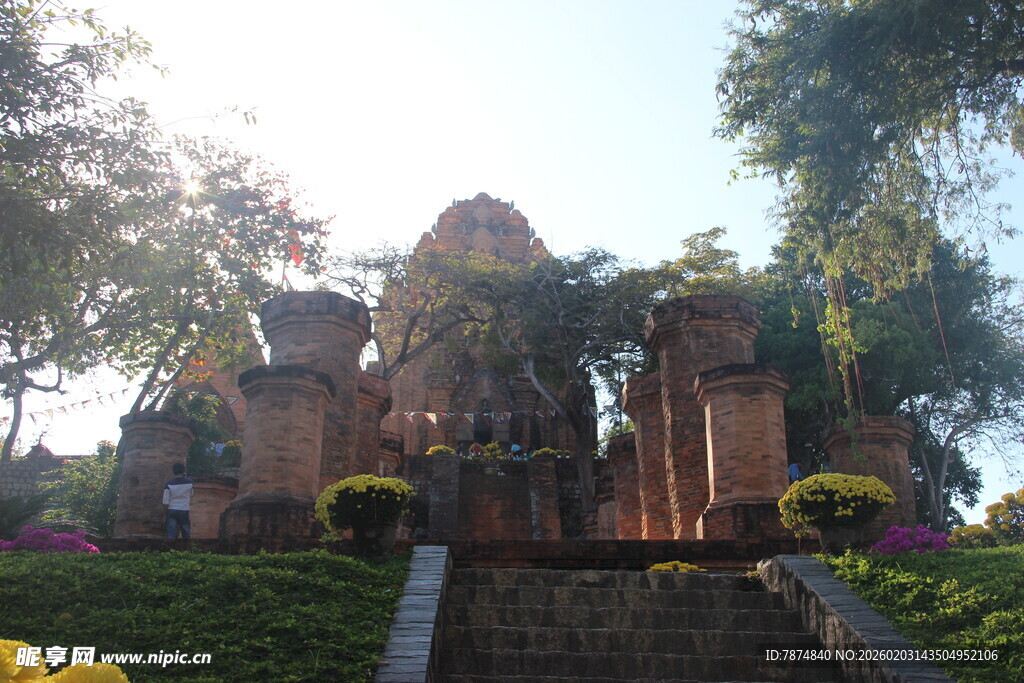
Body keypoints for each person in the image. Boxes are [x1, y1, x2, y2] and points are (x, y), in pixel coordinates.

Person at [163, 463, 194, 540]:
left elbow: (165, 501)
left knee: (171, 534)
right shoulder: (190, 482)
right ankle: (186, 550)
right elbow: (192, 494)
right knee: (186, 533)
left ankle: (171, 550)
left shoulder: (168, 484)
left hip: (172, 509)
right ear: (184, 471)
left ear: (173, 471)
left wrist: (165, 512)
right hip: (184, 509)